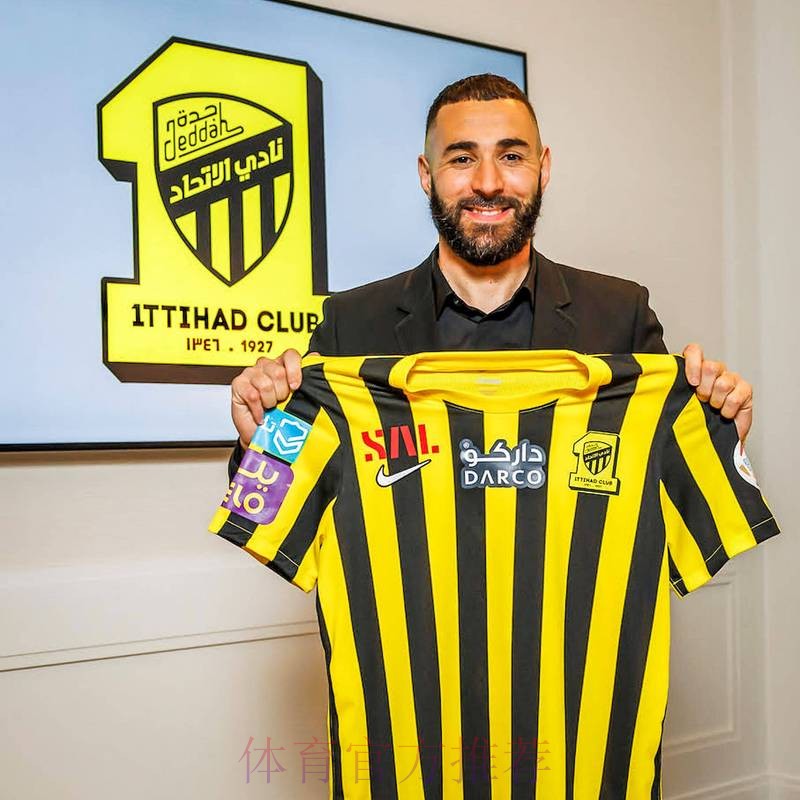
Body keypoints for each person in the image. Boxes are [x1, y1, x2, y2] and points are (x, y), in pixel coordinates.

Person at [228, 74, 754, 473]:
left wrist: (722, 432)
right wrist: (259, 440)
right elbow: (272, 505)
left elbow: (672, 496)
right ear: (426, 175)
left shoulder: (621, 316)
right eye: (461, 159)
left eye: (512, 156)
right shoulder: (351, 325)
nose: (487, 182)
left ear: (543, 169)